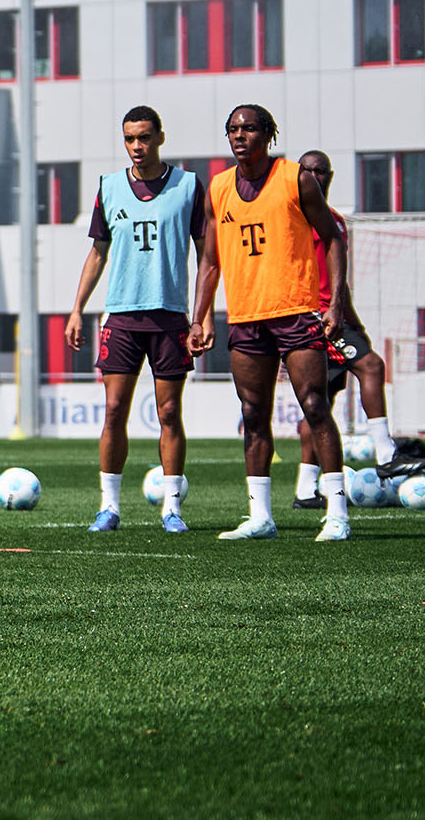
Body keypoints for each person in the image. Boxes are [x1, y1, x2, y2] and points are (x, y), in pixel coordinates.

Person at [191, 105, 350, 541]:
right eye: (233, 130)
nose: (240, 135)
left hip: (296, 311)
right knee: (252, 413)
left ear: (268, 134)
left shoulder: (296, 178)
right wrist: (199, 318)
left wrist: (334, 306)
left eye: (249, 128)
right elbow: (209, 261)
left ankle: (337, 512)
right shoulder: (219, 188)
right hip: (245, 317)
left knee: (315, 406)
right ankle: (260, 516)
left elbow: (333, 239)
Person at [64, 106, 206, 533]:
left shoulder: (188, 186)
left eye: (144, 137)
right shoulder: (108, 187)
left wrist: (202, 316)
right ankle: (108, 508)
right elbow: (98, 252)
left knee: (168, 412)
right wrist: (76, 309)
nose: (137, 147)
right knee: (113, 411)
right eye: (129, 139)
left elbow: (207, 257)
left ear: (160, 136)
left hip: (170, 318)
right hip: (121, 317)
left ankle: (172, 509)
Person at [289, 151, 425, 506]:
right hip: (315, 318)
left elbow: (339, 282)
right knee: (372, 366)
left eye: (321, 171)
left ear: (330, 177)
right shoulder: (295, 220)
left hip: (334, 314)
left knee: (318, 402)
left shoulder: (334, 219)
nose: (316, 176)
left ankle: (306, 491)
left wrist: (352, 319)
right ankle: (386, 454)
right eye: (308, 170)